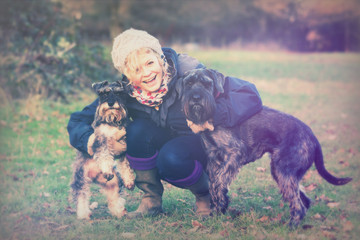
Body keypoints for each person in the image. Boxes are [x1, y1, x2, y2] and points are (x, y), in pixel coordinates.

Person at [67, 28, 263, 218]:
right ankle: (151, 201)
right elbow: (78, 119)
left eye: (150, 63)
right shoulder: (126, 91)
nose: (146, 73)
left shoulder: (190, 73)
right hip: (162, 140)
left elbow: (249, 94)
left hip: (199, 145)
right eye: (137, 69)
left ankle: (206, 195)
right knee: (136, 130)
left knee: (170, 158)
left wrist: (212, 116)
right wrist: (91, 140)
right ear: (128, 75)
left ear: (160, 58)